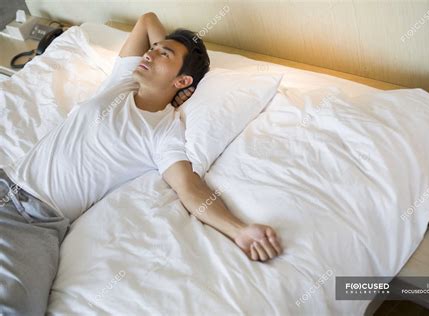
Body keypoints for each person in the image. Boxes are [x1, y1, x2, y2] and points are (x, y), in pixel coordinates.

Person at [0, 12, 283, 315]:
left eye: (164, 54)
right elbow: (147, 20)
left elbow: (190, 190)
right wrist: (164, 50)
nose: (150, 52)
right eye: (154, 48)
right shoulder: (122, 83)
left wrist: (239, 230)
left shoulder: (164, 133)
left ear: (183, 80)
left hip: (36, 222)